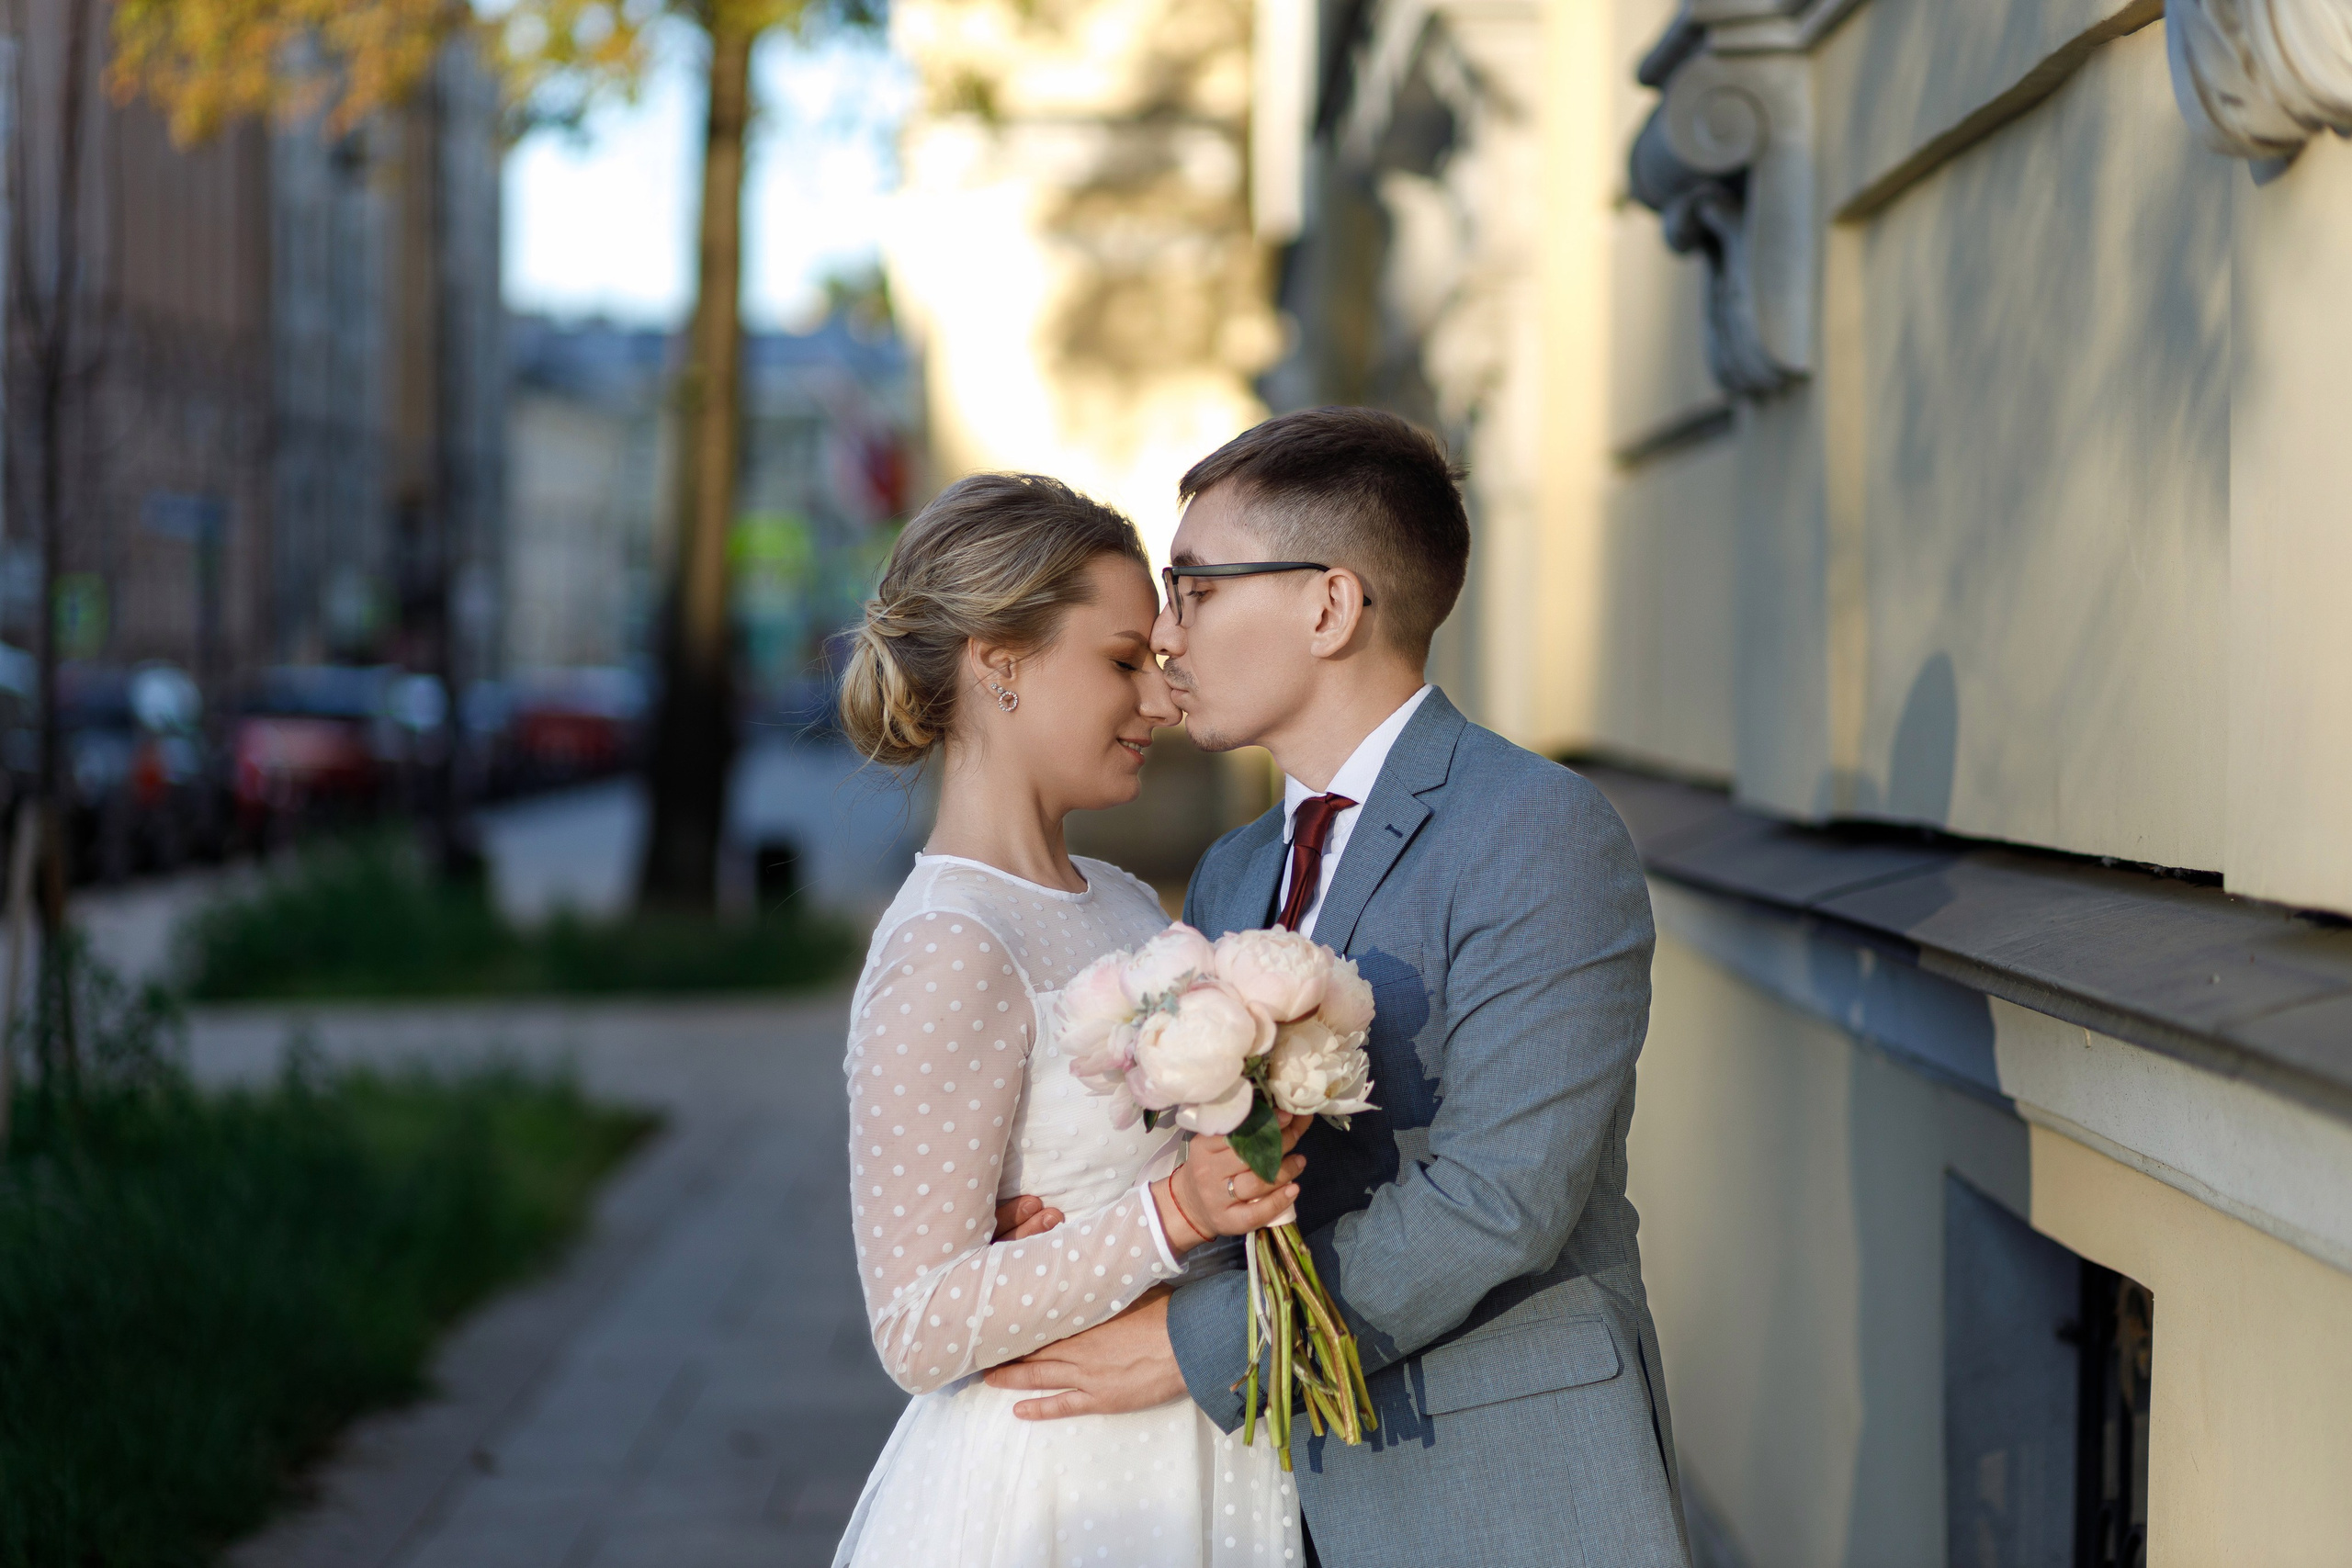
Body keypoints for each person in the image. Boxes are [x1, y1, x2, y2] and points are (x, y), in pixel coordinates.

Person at [982, 408, 1690, 1567]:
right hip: (1253, 1496)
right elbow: (1206, 1166)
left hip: (1488, 1484)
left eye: (1196, 587)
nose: (1164, 633)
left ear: (1328, 605)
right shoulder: (1235, 864)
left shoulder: (1539, 831)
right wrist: (1073, 1214)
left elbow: (1501, 1199)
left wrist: (1191, 1343)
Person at [830, 471, 1315, 1568]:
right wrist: (1170, 1220)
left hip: (1193, 1437)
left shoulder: (1124, 898)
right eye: (1121, 661)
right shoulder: (950, 942)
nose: (1159, 702)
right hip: (1063, 1487)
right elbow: (917, 1326)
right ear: (1000, 664)